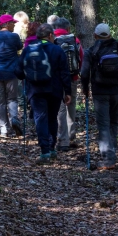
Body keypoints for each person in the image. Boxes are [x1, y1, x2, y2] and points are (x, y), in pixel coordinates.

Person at [15, 24, 72, 164]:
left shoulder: (28, 49)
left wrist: (27, 77)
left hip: (35, 90)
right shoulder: (57, 50)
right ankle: (52, 149)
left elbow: (18, 71)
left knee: (40, 118)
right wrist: (68, 92)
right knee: (52, 118)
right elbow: (65, 73)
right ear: (51, 35)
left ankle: (44, 151)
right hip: (55, 90)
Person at [80, 23, 118, 170]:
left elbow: (84, 73)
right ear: (110, 34)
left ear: (95, 36)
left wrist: (85, 89)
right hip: (117, 92)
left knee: (103, 125)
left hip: (100, 92)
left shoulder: (91, 51)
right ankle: (111, 151)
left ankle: (108, 159)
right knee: (113, 122)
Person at [0, 14, 23, 137]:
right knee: (12, 98)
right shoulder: (14, 37)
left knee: (0, 101)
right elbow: (20, 47)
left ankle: (4, 129)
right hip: (11, 72)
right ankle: (14, 119)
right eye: (12, 23)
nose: (14, 25)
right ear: (7, 24)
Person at [53, 17, 84, 151]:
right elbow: (81, 58)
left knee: (60, 108)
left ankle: (63, 140)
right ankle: (72, 136)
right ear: (68, 28)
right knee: (71, 106)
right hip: (73, 77)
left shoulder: (52, 40)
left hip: (57, 79)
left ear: (55, 28)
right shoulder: (75, 40)